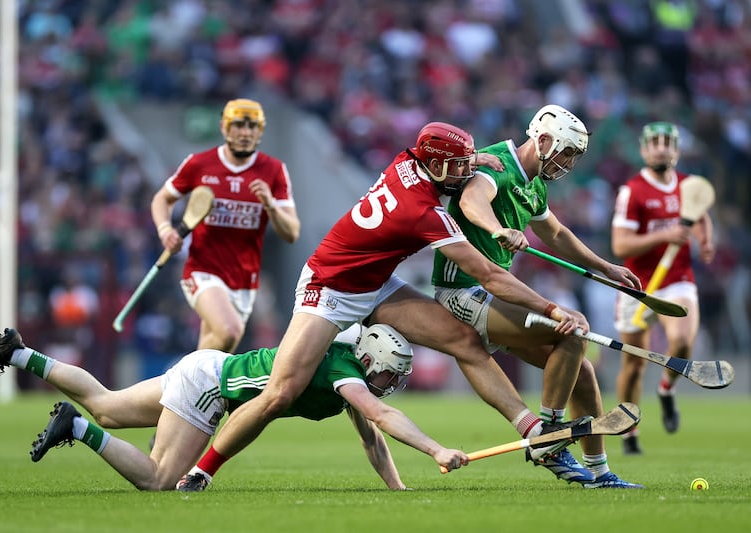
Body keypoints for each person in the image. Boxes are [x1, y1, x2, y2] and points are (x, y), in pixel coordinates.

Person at [181, 121, 595, 492]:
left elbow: (439, 156)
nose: (467, 174)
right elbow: (490, 276)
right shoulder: (422, 213)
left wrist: (477, 156)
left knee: (464, 340)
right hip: (330, 288)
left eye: (468, 165)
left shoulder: (407, 159)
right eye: (459, 168)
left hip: (375, 283)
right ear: (435, 168)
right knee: (280, 394)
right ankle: (202, 471)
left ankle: (534, 430)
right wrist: (554, 309)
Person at [0, 324, 470, 491]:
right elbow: (382, 418)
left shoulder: (348, 368)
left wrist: (400, 492)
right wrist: (435, 448)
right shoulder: (343, 370)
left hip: (207, 367)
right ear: (368, 358)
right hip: (210, 387)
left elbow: (371, 436)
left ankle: (19, 352)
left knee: (109, 407)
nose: (390, 384)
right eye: (388, 373)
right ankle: (75, 427)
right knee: (159, 481)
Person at [431, 104, 643, 489]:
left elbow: (557, 235)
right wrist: (498, 230)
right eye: (565, 152)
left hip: (493, 292)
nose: (569, 164)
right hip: (461, 292)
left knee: (582, 370)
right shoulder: (497, 163)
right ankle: (550, 433)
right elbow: (470, 202)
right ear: (543, 140)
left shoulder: (536, 184)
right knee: (572, 331)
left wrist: (605, 268)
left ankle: (599, 473)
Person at [150, 98, 300, 352]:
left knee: (210, 357)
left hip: (244, 282)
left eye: (252, 126)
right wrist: (165, 230)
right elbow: (162, 199)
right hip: (203, 271)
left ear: (260, 131)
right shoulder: (199, 164)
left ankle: (178, 389)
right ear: (224, 127)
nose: (245, 132)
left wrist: (271, 205)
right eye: (238, 125)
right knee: (230, 331)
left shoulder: (274, 171)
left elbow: (292, 232)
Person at [611, 121, 715, 455]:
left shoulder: (688, 185)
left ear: (677, 149)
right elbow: (620, 246)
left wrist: (705, 239)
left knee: (682, 343)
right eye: (654, 142)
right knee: (634, 363)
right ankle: (629, 430)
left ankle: (667, 389)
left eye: (667, 142)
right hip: (638, 286)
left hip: (677, 279)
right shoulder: (632, 191)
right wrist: (664, 236)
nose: (660, 147)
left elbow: (699, 214)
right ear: (643, 149)